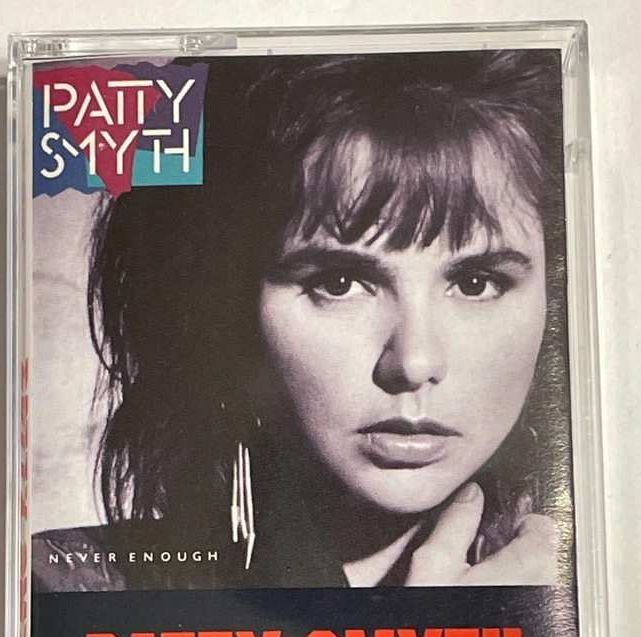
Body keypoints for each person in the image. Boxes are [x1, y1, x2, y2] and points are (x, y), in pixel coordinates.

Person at [33, 49, 570, 591]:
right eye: (339, 283)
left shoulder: (599, 590)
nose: (413, 362)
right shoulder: (53, 591)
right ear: (227, 306)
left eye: (476, 283)